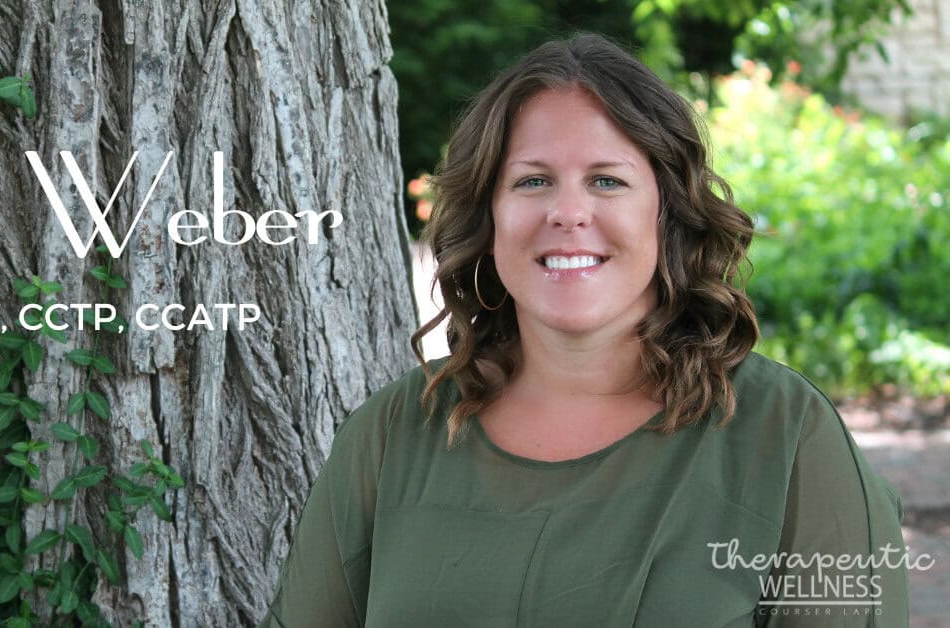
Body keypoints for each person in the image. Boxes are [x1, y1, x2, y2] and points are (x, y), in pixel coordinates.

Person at [258, 33, 909, 627]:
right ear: (491, 217)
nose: (568, 213)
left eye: (606, 180)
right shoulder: (392, 435)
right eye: (534, 181)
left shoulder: (788, 437)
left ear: (668, 213)